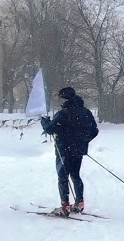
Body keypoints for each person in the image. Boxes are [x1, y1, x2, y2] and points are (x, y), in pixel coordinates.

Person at [40, 87, 99, 216]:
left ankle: (65, 206)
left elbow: (51, 129)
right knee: (75, 175)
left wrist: (44, 122)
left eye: (60, 98)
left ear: (65, 98)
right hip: (78, 150)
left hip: (64, 151)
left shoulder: (63, 114)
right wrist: (83, 141)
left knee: (62, 177)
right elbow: (94, 131)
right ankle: (79, 202)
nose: (59, 101)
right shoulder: (86, 112)